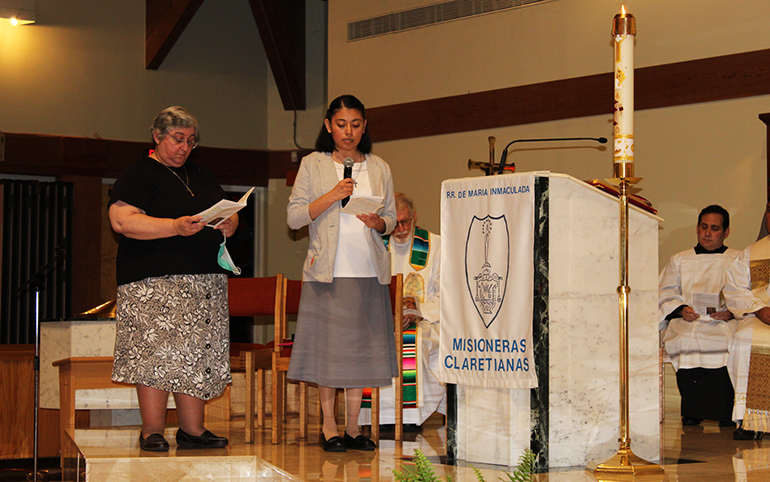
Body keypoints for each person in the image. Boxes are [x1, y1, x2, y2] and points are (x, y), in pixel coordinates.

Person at [108, 106, 238, 452]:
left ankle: (192, 430)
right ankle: (152, 430)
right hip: (153, 284)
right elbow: (122, 221)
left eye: (191, 142)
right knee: (156, 355)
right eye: (178, 139)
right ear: (158, 136)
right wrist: (174, 227)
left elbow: (224, 210)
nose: (184, 147)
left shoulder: (202, 174)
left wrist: (229, 223)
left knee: (195, 355)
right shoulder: (140, 173)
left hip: (203, 284)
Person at [286, 94, 398, 453]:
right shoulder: (314, 164)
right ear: (328, 126)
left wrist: (379, 221)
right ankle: (329, 427)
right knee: (330, 354)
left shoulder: (379, 167)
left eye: (355, 124)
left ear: (364, 126)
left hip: (369, 272)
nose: (348, 132)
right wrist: (333, 195)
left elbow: (392, 218)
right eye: (340, 124)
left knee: (359, 354)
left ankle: (353, 427)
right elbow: (294, 218)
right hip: (327, 274)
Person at [358, 192, 445, 430]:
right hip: (382, 321)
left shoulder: (435, 246)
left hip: (425, 321)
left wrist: (417, 313)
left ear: (414, 217)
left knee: (412, 342)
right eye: (394, 223)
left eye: (405, 221)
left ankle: (407, 418)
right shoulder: (376, 244)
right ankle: (375, 416)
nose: (400, 228)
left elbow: (445, 293)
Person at [659, 205, 738, 427]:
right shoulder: (680, 259)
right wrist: (682, 309)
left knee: (728, 340)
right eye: (704, 227)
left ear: (726, 232)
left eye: (714, 228)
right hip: (689, 321)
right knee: (685, 338)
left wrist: (731, 311)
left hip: (723, 322)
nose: (707, 233)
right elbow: (665, 292)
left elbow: (744, 293)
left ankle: (726, 412)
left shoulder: (737, 259)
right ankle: (693, 411)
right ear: (697, 228)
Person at [724, 200, 770, 440]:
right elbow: (734, 289)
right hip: (761, 316)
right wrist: (759, 308)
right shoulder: (751, 254)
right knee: (743, 339)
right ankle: (750, 419)